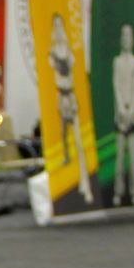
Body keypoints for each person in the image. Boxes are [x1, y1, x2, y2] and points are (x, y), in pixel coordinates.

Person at [48, 12, 94, 204]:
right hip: (62, 96)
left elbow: (71, 68)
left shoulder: (69, 52)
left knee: (78, 140)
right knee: (62, 135)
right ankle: (66, 182)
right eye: (56, 26)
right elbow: (59, 69)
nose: (59, 29)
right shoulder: (52, 54)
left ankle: (86, 183)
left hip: (71, 95)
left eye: (61, 25)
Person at [111, 24, 134, 206]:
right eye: (124, 36)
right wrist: (121, 108)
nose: (126, 39)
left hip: (132, 116)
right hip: (120, 116)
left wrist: (132, 111)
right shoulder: (117, 62)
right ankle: (118, 192)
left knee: (133, 161)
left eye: (129, 36)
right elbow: (115, 86)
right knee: (120, 160)